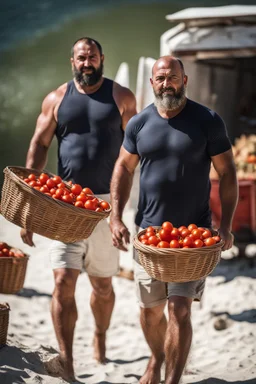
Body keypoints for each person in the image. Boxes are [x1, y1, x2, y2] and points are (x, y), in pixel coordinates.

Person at [110, 56, 238, 384]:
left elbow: (227, 173)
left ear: (185, 80)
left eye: (173, 77)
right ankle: (156, 357)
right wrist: (116, 216)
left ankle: (172, 380)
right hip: (149, 235)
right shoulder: (139, 123)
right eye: (160, 78)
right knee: (150, 310)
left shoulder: (207, 120)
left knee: (179, 308)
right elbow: (123, 167)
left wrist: (225, 226)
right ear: (152, 83)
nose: (167, 84)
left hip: (193, 236)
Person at [20, 37, 137, 382]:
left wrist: (119, 211)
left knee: (102, 286)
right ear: (72, 61)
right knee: (63, 281)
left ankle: (99, 336)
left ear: (103, 58)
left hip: (104, 205)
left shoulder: (122, 98)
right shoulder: (57, 99)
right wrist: (30, 204)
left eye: (93, 57)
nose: (87, 63)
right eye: (81, 58)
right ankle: (67, 359)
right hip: (66, 204)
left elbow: (133, 155)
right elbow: (39, 144)